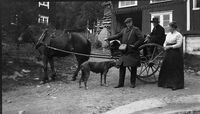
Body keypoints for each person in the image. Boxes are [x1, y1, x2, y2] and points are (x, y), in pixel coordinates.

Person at [105, 18, 144, 88]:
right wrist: (109, 38)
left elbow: (141, 39)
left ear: (131, 22)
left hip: (133, 51)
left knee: (133, 68)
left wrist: (135, 45)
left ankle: (132, 83)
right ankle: (120, 83)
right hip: (124, 51)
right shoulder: (124, 30)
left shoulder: (136, 29)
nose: (127, 24)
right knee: (122, 67)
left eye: (128, 23)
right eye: (126, 23)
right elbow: (117, 36)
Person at [158, 21, 184, 91]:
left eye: (169, 27)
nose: (168, 28)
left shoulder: (178, 35)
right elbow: (165, 42)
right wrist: (164, 46)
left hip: (175, 53)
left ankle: (175, 84)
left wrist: (170, 47)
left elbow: (179, 45)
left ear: (173, 27)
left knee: (174, 68)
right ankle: (166, 83)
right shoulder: (168, 34)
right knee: (167, 66)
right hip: (168, 53)